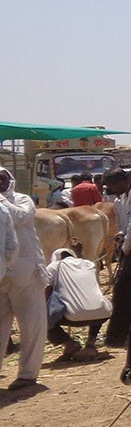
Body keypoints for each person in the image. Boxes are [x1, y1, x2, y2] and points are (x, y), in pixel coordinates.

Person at [0, 165, 46, 389]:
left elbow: (22, 216)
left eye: (2, 179)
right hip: (2, 273)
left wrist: (2, 201)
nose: (0, 183)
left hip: (25, 270)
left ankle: (28, 375)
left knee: (31, 325)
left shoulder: (21, 200)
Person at [44, 248, 111, 362]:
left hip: (73, 316)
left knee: (40, 318)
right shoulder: (89, 264)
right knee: (98, 303)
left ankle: (69, 343)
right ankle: (91, 342)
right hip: (103, 314)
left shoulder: (54, 266)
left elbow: (46, 290)